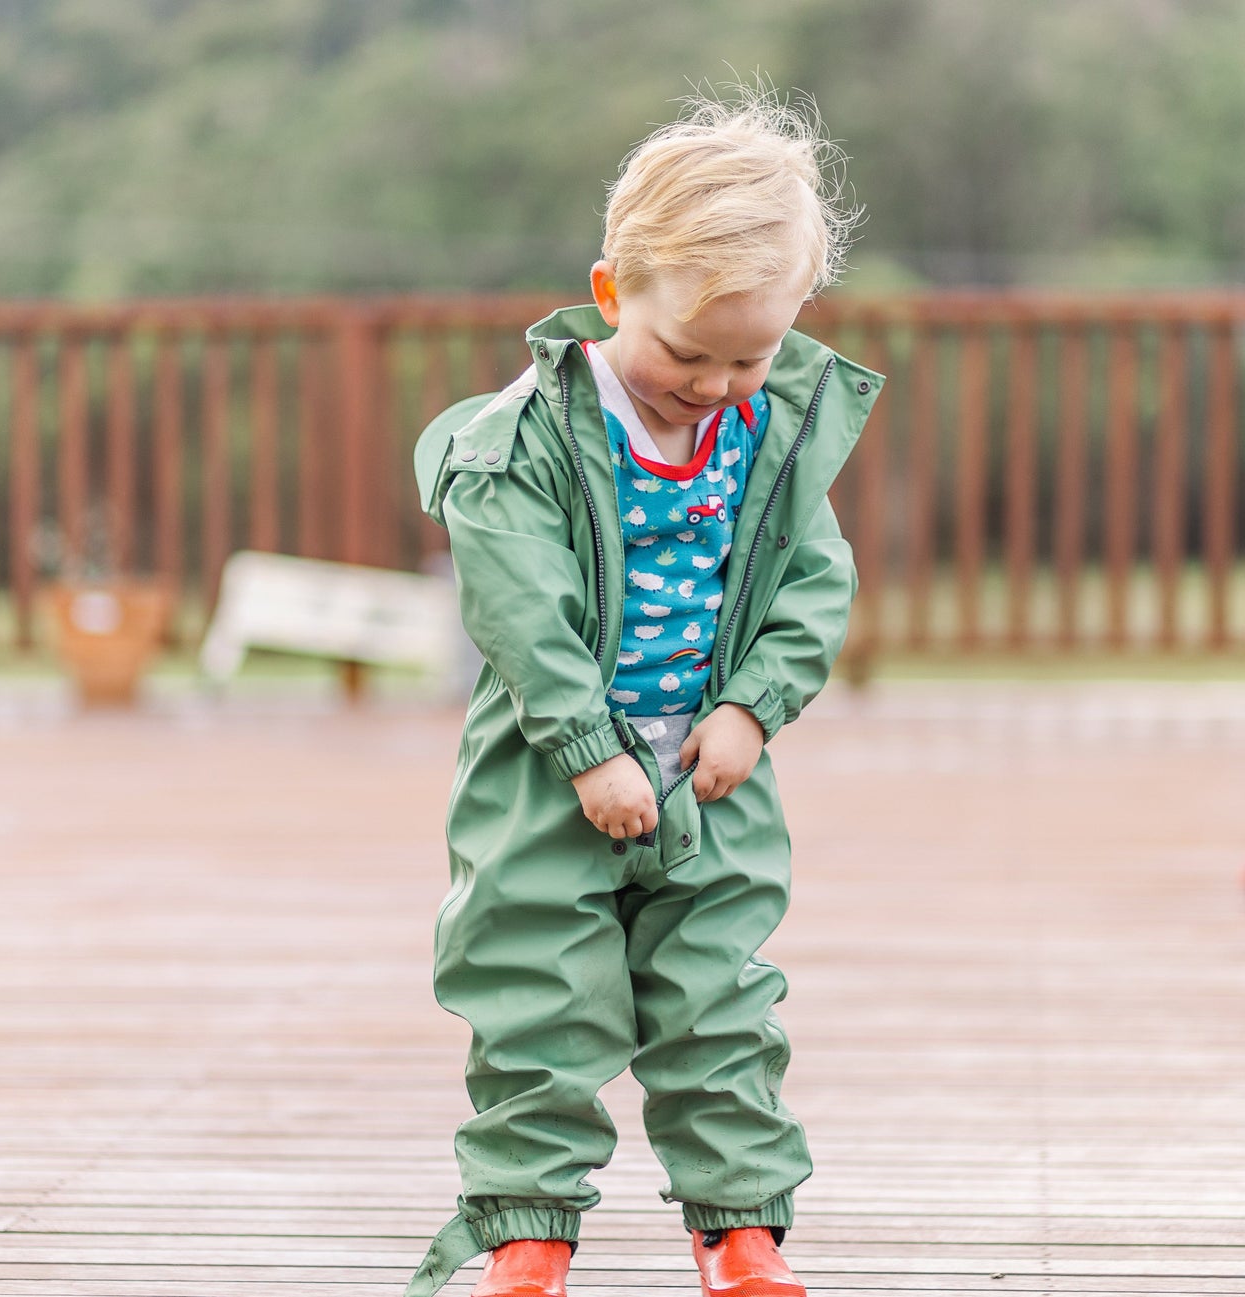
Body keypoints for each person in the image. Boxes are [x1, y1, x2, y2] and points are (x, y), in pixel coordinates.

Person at [407, 87, 883, 1297]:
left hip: (706, 778)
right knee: (538, 1003)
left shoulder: (763, 435)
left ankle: (739, 1232)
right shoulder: (523, 443)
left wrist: (750, 708)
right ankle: (527, 1235)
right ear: (613, 292)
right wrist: (583, 744)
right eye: (687, 353)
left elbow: (810, 587)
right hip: (550, 776)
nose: (718, 385)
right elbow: (521, 608)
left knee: (717, 1006)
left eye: (753, 356)